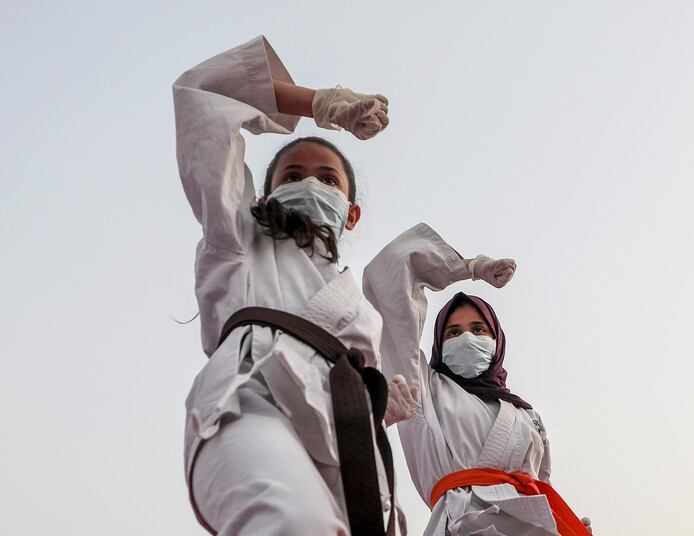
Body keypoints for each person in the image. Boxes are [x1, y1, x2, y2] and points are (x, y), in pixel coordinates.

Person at [173, 35, 415, 536]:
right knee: (291, 523)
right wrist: (317, 102)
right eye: (293, 175)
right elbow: (200, 95)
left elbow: (328, 370)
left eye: (329, 179)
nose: (312, 184)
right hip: (254, 400)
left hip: (346, 437)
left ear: (352, 212)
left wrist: (378, 408)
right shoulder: (239, 233)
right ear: (263, 194)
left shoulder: (357, 304)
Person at [363, 224, 592, 535]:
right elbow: (386, 279)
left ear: (496, 341)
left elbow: (541, 483)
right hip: (461, 525)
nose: (467, 337)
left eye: (478, 329)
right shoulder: (424, 389)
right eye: (453, 332)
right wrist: (470, 267)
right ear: (439, 346)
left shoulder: (527, 416)